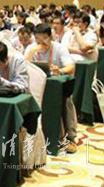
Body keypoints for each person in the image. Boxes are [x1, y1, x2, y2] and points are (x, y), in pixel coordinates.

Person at [25, 23, 78, 153]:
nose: (40, 42)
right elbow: (23, 66)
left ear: (50, 37)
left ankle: (70, 138)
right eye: (37, 38)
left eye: (44, 38)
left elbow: (71, 67)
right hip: (36, 85)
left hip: (57, 85)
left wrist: (60, 70)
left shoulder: (59, 48)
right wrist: (31, 52)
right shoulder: (31, 48)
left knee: (67, 101)